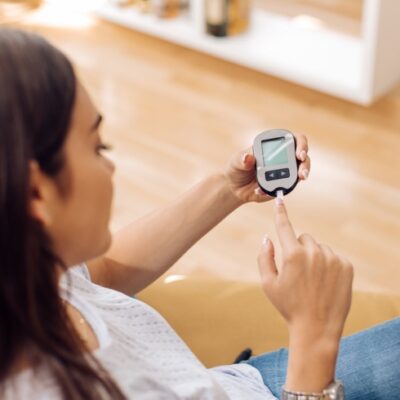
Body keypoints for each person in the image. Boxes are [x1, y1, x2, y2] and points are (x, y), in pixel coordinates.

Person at [0, 28, 358, 400]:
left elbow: (101, 276)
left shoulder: (23, 264)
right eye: (97, 147)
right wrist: (313, 339)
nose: (110, 167)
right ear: (36, 191)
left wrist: (228, 188)